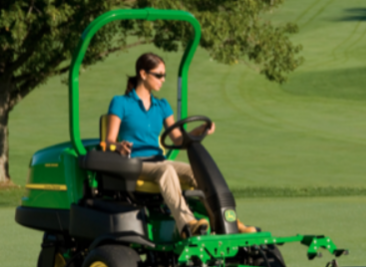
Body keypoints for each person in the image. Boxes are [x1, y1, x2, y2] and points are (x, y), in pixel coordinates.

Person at [106, 52, 256, 238]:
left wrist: (200, 130)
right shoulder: (121, 103)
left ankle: (229, 224)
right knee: (166, 170)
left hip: (158, 161)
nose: (163, 79)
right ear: (143, 74)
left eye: (164, 75)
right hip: (136, 163)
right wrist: (119, 146)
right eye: (158, 75)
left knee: (197, 172)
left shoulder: (162, 106)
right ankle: (187, 225)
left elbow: (178, 139)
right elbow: (109, 141)